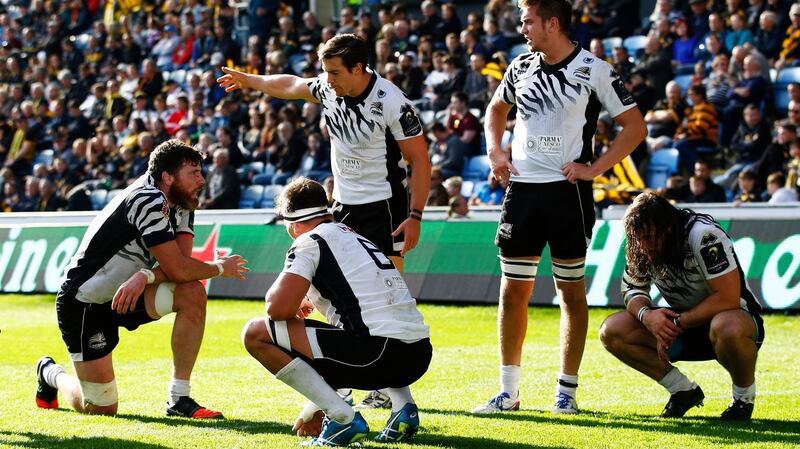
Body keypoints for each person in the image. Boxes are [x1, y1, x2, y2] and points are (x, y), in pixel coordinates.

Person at [218, 33, 430, 410]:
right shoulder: (330, 88)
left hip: (385, 208)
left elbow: (421, 161)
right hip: (343, 204)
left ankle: (384, 385)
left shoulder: (392, 102)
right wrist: (252, 82)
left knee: (383, 291)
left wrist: (415, 215)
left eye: (334, 72)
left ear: (359, 68)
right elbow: (292, 85)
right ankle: (344, 375)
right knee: (328, 294)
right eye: (325, 72)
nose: (326, 80)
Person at [475, 0, 646, 415]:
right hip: (522, 193)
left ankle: (566, 392)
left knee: (570, 293)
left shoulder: (595, 69)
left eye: (528, 21)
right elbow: (496, 109)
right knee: (512, 291)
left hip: (567, 194)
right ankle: (508, 392)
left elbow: (635, 126)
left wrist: (596, 168)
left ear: (552, 23)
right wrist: (495, 151)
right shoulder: (519, 67)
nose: (522, 28)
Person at [35, 140, 250, 419]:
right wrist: (219, 268)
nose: (202, 179)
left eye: (201, 172)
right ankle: (51, 373)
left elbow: (182, 265)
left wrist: (145, 275)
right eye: (194, 173)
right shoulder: (147, 198)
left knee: (192, 293)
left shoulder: (182, 201)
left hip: (130, 292)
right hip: (86, 301)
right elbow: (179, 269)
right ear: (168, 177)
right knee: (100, 408)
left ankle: (179, 398)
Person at [241, 177, 431, 446]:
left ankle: (342, 418)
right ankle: (404, 409)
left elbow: (277, 308)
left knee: (255, 332)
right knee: (369, 325)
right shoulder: (351, 234)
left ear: (292, 222)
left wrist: (317, 405)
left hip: (377, 355)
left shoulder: (308, 240)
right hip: (418, 353)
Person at [599, 192, 764, 420]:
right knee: (613, 330)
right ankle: (682, 390)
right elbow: (632, 289)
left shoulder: (703, 235)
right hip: (684, 328)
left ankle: (743, 399)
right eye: (638, 239)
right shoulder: (640, 241)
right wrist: (647, 316)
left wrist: (675, 322)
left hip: (735, 322)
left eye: (649, 237)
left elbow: (728, 298)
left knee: (726, 325)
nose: (643, 246)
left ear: (668, 228)